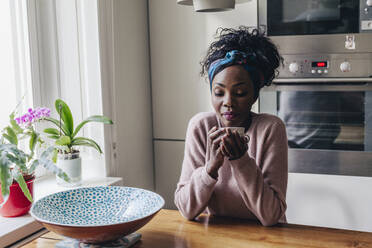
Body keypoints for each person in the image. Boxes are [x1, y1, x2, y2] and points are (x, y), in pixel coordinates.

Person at [174, 27, 288, 226]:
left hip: (268, 239)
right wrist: (210, 169)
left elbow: (271, 215)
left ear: (254, 95)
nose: (228, 102)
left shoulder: (270, 128)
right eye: (219, 93)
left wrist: (241, 160)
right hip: (218, 236)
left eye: (240, 92)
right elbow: (186, 209)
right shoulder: (201, 127)